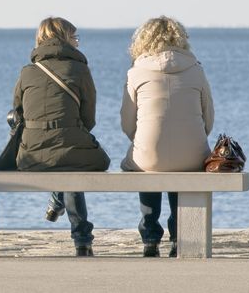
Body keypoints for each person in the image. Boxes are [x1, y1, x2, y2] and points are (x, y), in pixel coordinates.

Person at [13, 17, 110, 256]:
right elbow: (89, 119)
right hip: (70, 148)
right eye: (75, 37)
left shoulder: (27, 72)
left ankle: (58, 202)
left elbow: (17, 114)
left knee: (65, 161)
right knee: (74, 161)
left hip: (31, 154)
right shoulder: (80, 69)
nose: (77, 42)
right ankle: (82, 238)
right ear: (65, 39)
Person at [120, 16, 214, 257]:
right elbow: (209, 118)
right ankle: (177, 234)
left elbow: (126, 122)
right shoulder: (196, 70)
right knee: (181, 163)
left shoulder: (136, 73)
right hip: (192, 156)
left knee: (146, 159)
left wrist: (141, 140)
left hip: (148, 158)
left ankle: (150, 235)